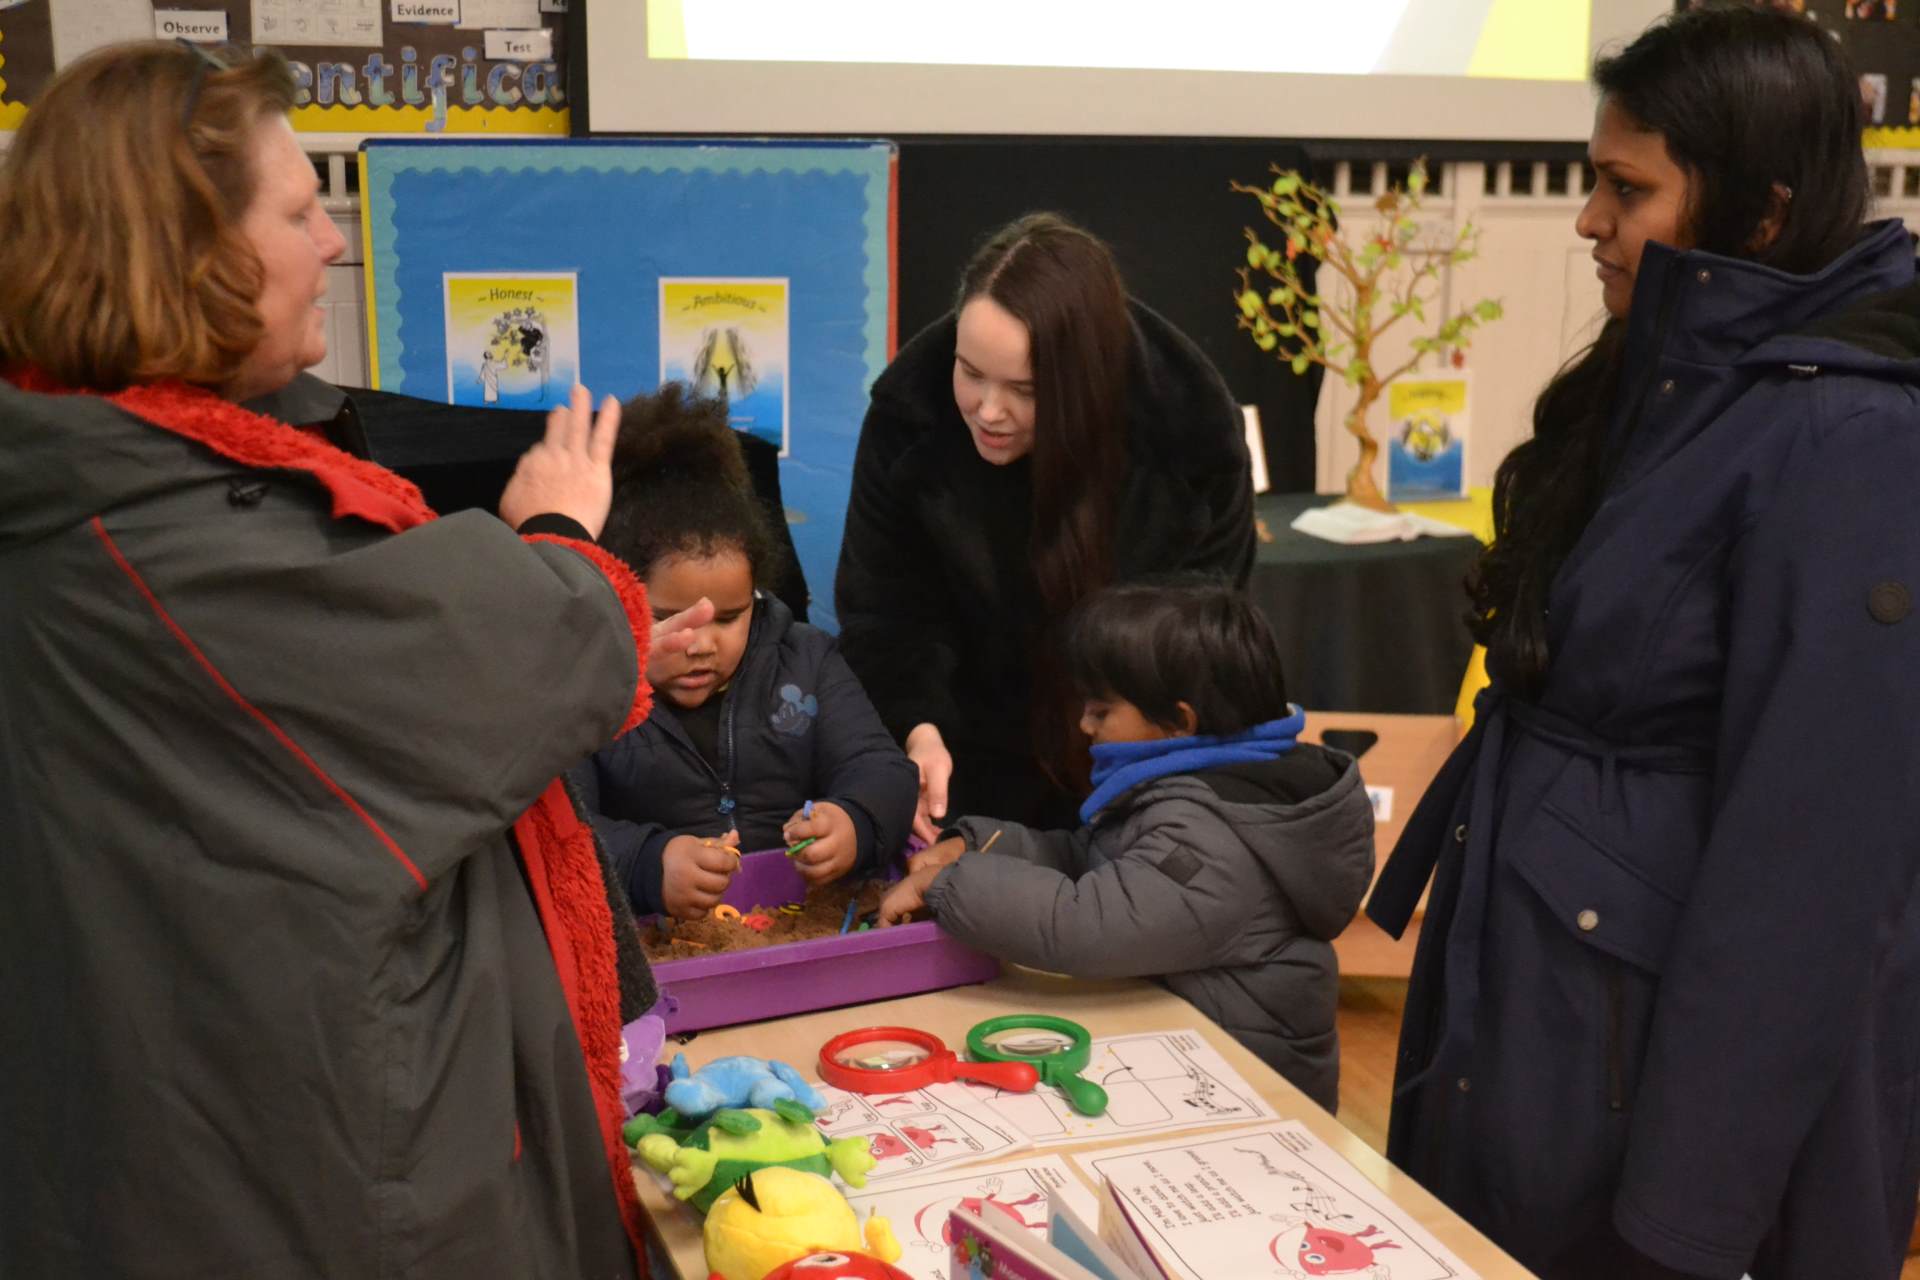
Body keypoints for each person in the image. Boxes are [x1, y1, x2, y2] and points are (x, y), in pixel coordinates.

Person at [0, 42, 707, 1278]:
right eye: (294, 210)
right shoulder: (166, 542)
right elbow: (526, 661)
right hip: (322, 1188)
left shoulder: (85, 490)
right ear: (185, 255)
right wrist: (556, 528)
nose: (333, 239)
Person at [1365, 9, 1920, 1279]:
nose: (1586, 221)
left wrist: (1688, 1215)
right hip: (1551, 1015)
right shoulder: (1667, 377)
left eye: (1628, 189)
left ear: (1759, 213)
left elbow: (1812, 877)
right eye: (1590, 179)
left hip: (1640, 1064)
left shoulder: (1852, 439)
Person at [875, 580, 1374, 1110]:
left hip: (1249, 1097)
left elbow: (1089, 921)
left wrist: (951, 884)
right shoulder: (1205, 789)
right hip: (1189, 1064)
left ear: (1179, 721)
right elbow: (1096, 865)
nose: (1083, 724)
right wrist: (976, 848)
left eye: (1101, 710)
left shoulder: (1212, 836)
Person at [835, 213, 1254, 840]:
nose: (988, 410)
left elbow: (1197, 649)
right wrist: (917, 731)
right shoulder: (909, 418)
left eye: (1025, 390)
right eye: (970, 373)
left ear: (1086, 384)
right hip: (966, 754)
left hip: (1142, 760)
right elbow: (885, 616)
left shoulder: (1187, 435)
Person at [572, 385, 918, 919]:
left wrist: (854, 822)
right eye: (669, 619)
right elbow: (564, 833)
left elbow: (883, 768)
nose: (702, 644)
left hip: (806, 930)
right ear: (615, 593)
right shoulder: (585, 694)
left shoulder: (807, 660)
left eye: (730, 617)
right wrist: (649, 863)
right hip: (655, 948)